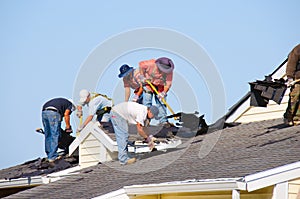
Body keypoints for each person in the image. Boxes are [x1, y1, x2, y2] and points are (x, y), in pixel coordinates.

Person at [139, 57, 174, 125]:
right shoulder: (150, 64)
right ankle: (146, 120)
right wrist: (141, 76)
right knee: (147, 102)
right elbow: (141, 66)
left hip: (160, 85)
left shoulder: (169, 71)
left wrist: (163, 93)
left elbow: (168, 83)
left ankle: (163, 121)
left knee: (161, 102)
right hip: (148, 84)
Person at [41, 98, 75, 163]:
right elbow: (66, 114)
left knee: (48, 135)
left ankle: (49, 155)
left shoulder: (61, 103)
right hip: (53, 113)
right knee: (55, 135)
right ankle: (53, 156)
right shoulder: (70, 105)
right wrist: (68, 127)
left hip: (44, 113)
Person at [284, 44, 300, 125]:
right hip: (297, 79)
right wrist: (290, 77)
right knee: (295, 97)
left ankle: (297, 118)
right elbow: (291, 64)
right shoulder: (297, 49)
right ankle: (288, 117)